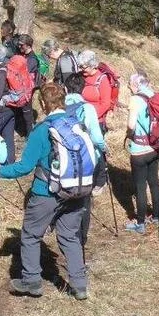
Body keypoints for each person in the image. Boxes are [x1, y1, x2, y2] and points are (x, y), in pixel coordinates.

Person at [0, 83, 89, 300]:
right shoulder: (77, 125)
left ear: (44, 104)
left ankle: (32, 281)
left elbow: (24, 167)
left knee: (30, 234)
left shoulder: (42, 130)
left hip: (47, 192)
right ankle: (80, 285)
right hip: (76, 190)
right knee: (69, 236)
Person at [63, 74, 107, 246]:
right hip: (88, 159)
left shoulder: (60, 104)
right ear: (83, 89)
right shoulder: (87, 108)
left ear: (66, 89)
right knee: (85, 198)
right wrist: (103, 148)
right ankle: (82, 236)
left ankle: (63, 229)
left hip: (66, 158)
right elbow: (96, 136)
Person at [124, 72, 159, 233]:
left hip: (140, 149)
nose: (128, 87)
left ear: (136, 84)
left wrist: (128, 135)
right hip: (155, 147)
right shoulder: (155, 95)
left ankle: (140, 224)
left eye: (130, 84)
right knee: (153, 182)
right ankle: (157, 217)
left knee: (140, 186)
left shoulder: (135, 99)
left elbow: (131, 125)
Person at [77, 50, 115, 132]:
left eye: (83, 67)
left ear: (92, 65)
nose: (81, 70)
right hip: (80, 120)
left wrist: (89, 117)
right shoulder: (81, 76)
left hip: (96, 122)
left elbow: (105, 104)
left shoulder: (102, 80)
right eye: (80, 67)